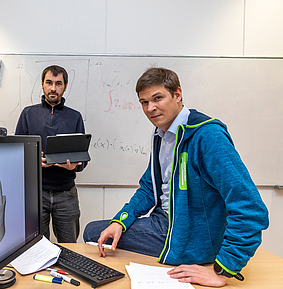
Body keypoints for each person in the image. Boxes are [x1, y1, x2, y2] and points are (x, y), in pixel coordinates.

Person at [83, 67, 269, 287]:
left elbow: (251, 209)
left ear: (177, 94)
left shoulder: (207, 136)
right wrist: (121, 221)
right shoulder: (162, 134)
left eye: (157, 98)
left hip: (187, 234)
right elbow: (148, 188)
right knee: (98, 231)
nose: (150, 108)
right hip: (165, 222)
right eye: (144, 102)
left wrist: (223, 270)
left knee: (91, 232)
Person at [15, 65, 88, 243]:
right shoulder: (28, 114)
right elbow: (16, 154)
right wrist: (34, 161)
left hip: (66, 194)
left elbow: (83, 158)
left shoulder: (75, 117)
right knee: (35, 247)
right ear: (42, 84)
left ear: (65, 86)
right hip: (36, 193)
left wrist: (75, 165)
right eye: (49, 83)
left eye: (58, 83)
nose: (53, 88)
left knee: (70, 246)